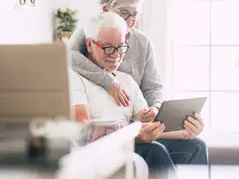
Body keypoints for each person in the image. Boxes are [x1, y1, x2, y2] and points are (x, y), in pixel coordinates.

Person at [69, 12, 207, 178]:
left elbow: (148, 128)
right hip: (100, 153)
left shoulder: (126, 81)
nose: (115, 55)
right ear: (90, 45)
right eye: (107, 47)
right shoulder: (75, 77)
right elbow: (81, 131)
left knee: (195, 146)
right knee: (154, 150)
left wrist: (185, 132)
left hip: (129, 142)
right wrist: (134, 136)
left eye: (120, 47)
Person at [67, 0, 161, 122]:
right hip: (104, 121)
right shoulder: (89, 33)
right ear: (105, 9)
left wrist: (155, 108)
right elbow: (68, 56)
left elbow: (153, 87)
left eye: (134, 14)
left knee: (194, 143)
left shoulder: (144, 43)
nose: (130, 21)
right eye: (124, 13)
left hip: (135, 118)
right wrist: (109, 81)